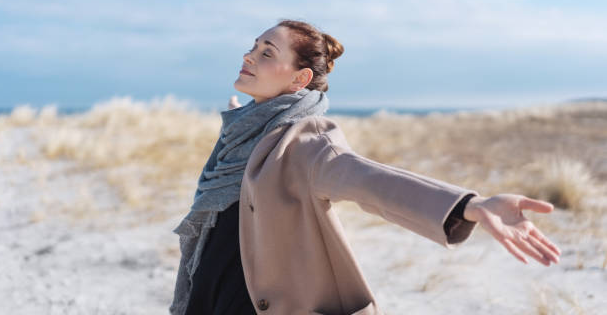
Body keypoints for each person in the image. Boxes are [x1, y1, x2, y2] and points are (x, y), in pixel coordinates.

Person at [169, 19, 561, 315]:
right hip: (209, 286)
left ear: (299, 78)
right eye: (253, 47)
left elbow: (371, 181)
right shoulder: (244, 129)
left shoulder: (306, 140)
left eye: (267, 52)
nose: (249, 56)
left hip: (259, 300)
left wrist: (469, 206)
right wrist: (243, 128)